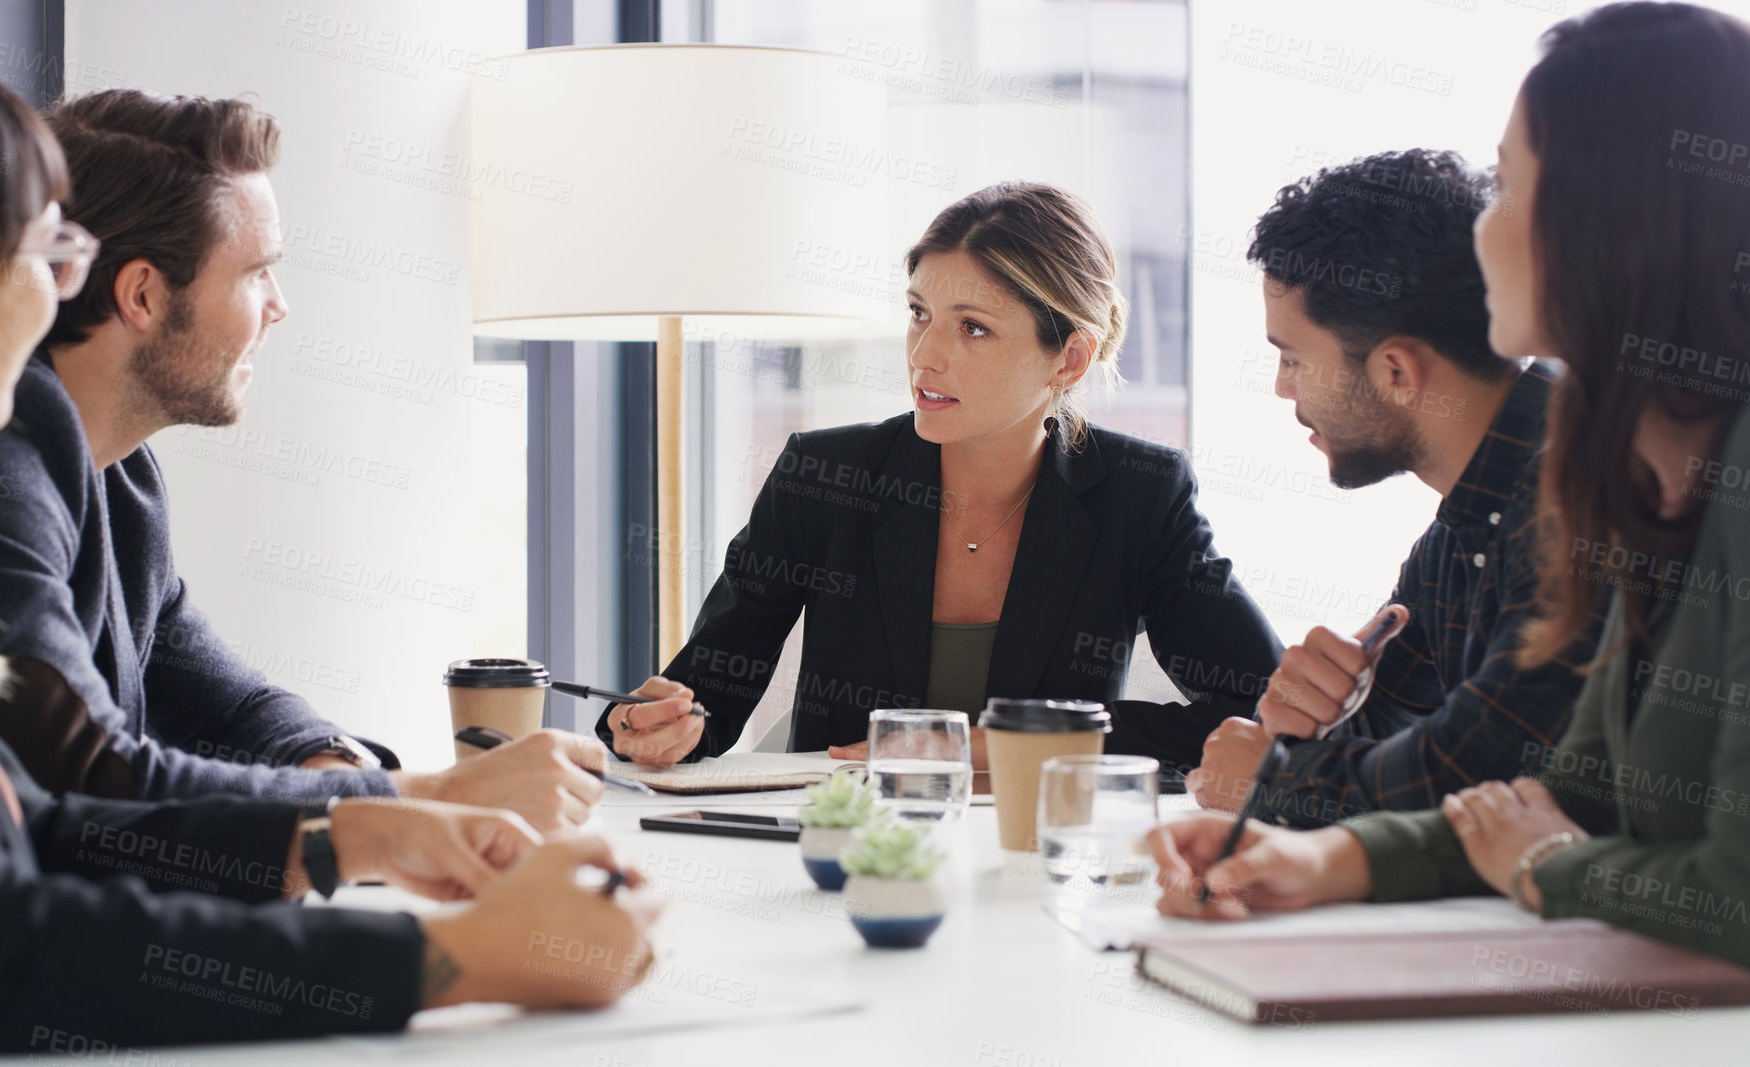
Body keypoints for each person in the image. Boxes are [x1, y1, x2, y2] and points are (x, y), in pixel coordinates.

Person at [0, 57, 658, 1061]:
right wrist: (458, 951)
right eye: (44, 249)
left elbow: (38, 824)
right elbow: (5, 940)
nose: (280, 307)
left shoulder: (103, 485)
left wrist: (362, 826)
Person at [1151, 1, 1750, 970]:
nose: (1481, 237)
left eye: (1509, 188)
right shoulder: (1636, 482)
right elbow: (1559, 794)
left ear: (1614, 218)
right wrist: (1318, 858)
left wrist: (1548, 867)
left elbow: (1714, 886)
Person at [0, 89, 607, 830]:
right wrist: (427, 799)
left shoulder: (121, 475)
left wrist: (339, 773)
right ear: (142, 295)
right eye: (257, 271)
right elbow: (93, 773)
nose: (278, 305)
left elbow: (230, 705)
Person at [600, 182, 1283, 770]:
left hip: (1036, 864)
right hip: (848, 858)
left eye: (974, 329)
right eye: (919, 314)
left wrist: (994, 747)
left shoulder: (1142, 494)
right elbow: (706, 696)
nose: (924, 355)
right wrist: (655, 727)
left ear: (1070, 359)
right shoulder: (826, 475)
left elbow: (1262, 713)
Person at [1183, 149, 1597, 824]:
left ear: (1397, 372)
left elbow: (1485, 774)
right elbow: (1399, 738)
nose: (1282, 386)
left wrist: (1275, 778)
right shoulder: (1459, 532)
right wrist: (1312, 721)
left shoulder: (1571, 498)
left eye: (1292, 357)